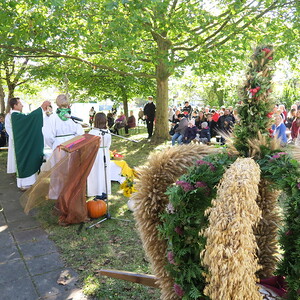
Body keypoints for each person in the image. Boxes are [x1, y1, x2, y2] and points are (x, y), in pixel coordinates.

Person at [5, 97, 51, 190]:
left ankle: (27, 183)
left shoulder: (17, 115)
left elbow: (28, 119)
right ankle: (25, 183)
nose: (22, 105)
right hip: (19, 142)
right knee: (23, 160)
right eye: (20, 103)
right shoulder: (15, 116)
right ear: (15, 105)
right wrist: (41, 108)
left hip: (21, 141)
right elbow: (28, 119)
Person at [87, 112, 111, 197]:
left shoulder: (92, 132)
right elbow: (108, 144)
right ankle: (103, 192)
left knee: (97, 173)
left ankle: (99, 192)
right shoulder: (107, 131)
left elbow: (89, 146)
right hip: (104, 152)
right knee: (102, 172)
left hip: (96, 154)